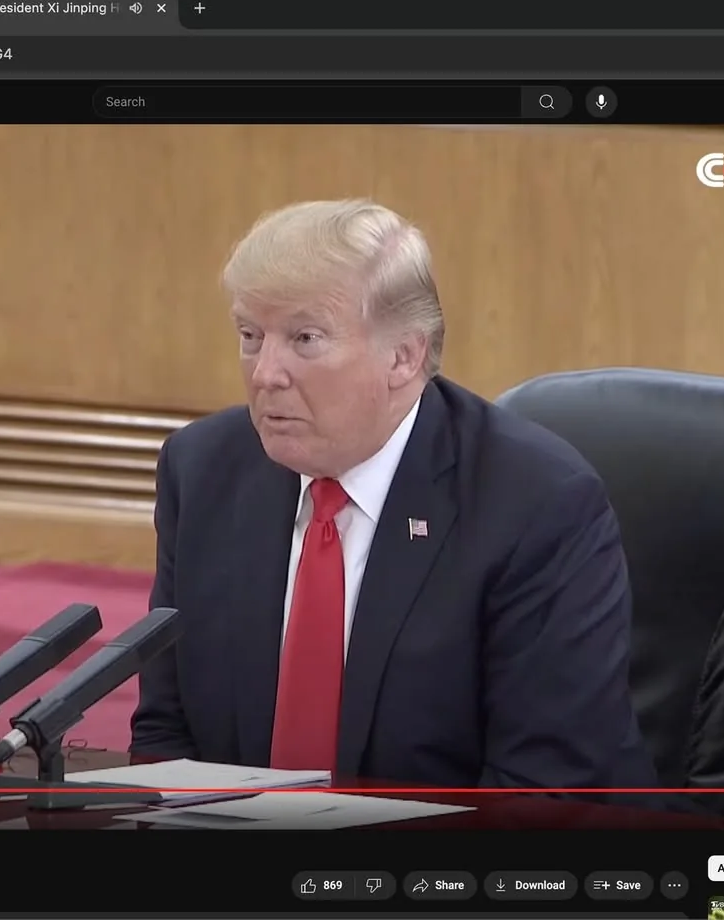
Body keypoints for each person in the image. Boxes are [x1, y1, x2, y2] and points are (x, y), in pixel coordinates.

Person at [130, 199, 659, 791]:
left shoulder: (537, 504)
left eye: (305, 338)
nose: (265, 373)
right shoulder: (203, 470)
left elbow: (543, 786)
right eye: (251, 336)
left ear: (403, 356)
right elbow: (165, 733)